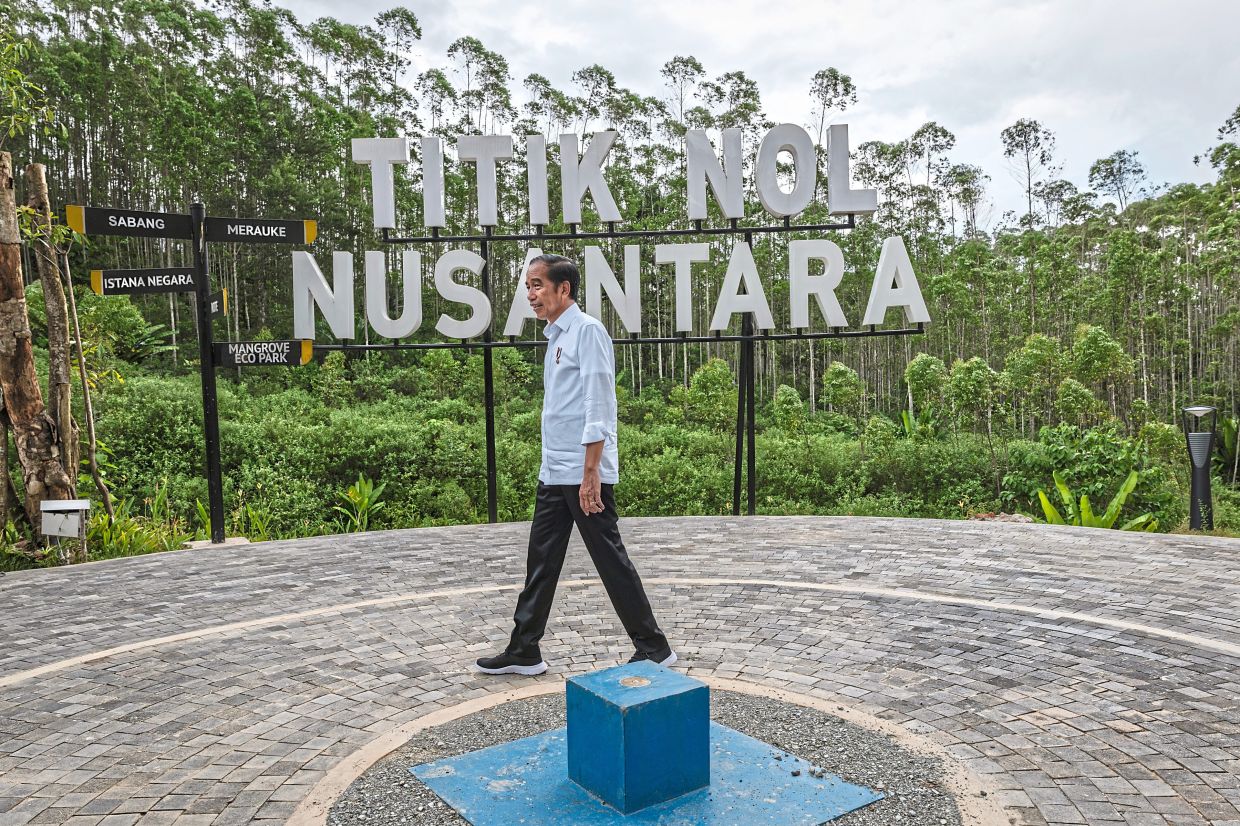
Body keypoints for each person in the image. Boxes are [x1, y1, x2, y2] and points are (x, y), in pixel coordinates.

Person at [476, 254, 674, 676]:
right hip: (555, 471)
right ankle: (525, 648)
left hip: (583, 473)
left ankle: (654, 647)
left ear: (563, 289)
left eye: (537, 286)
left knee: (609, 559)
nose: (531, 295)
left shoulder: (587, 332)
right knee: (541, 560)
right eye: (528, 286)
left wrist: (591, 475)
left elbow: (597, 405)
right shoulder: (557, 337)